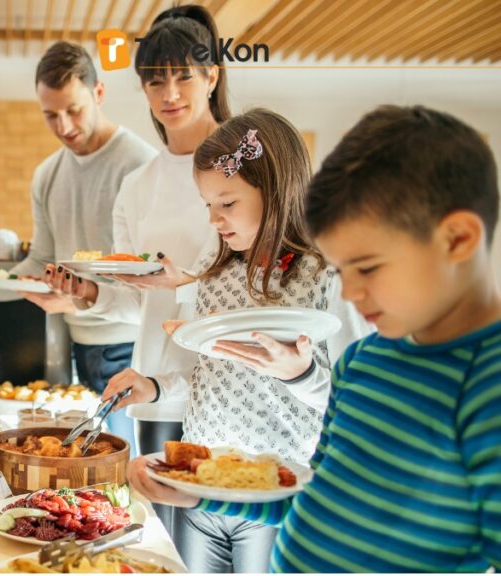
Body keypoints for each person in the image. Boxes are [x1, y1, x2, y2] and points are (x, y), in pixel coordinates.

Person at [129, 105, 501, 572]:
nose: (346, 291)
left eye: (364, 267)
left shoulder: (485, 387)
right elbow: (313, 499)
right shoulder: (361, 364)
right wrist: (203, 492)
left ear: (457, 239)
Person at [103, 108, 368, 572]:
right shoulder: (216, 266)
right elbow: (208, 371)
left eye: (227, 204)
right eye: (208, 204)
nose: (214, 220)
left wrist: (301, 374)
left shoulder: (327, 273)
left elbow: (358, 401)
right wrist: (156, 387)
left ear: (277, 190)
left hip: (276, 490)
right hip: (202, 481)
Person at [0, 41, 156, 449]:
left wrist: (78, 300)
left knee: (123, 466)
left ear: (99, 93)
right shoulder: (47, 175)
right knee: (90, 463)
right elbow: (40, 259)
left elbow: (150, 273)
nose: (64, 126)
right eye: (50, 115)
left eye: (73, 110)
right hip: (80, 343)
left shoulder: (141, 165)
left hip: (132, 345)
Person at [46, 4, 227, 472]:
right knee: (163, 539)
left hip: (229, 384)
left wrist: (182, 284)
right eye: (154, 81)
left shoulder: (242, 168)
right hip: (156, 388)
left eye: (183, 77)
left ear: (211, 77)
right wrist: (88, 293)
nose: (169, 94)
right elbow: (136, 304)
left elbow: (256, 288)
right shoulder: (138, 184)